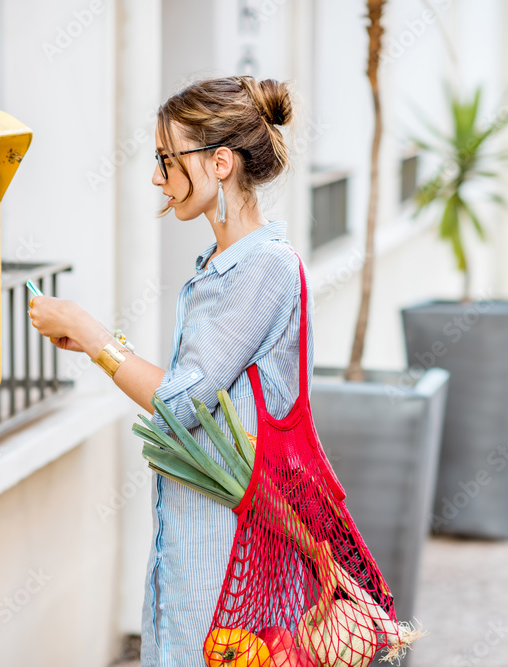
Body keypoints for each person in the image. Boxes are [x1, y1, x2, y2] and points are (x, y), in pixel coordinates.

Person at [27, 76, 311, 665]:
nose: (158, 178)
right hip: (200, 545)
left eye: (167, 160)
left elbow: (182, 404)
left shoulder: (261, 269)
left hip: (229, 563)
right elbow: (197, 388)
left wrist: (92, 332)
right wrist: (101, 346)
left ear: (221, 163)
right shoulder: (226, 265)